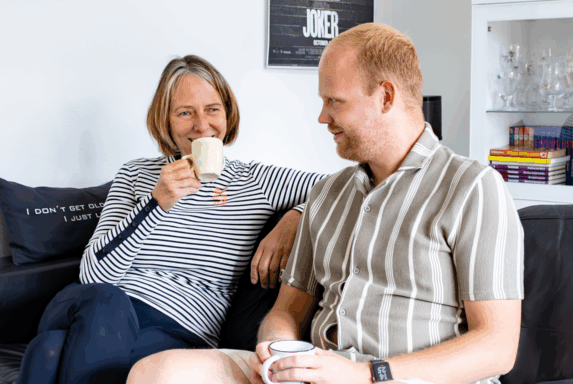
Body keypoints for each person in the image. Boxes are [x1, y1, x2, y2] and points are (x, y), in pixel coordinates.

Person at [127, 23, 524, 384]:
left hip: (401, 377)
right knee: (158, 372)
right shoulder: (327, 194)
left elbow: (497, 347)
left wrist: (367, 374)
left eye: (334, 101)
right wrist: (278, 349)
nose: (322, 117)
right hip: (316, 372)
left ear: (385, 96)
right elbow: (287, 311)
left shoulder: (473, 187)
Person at [15, 55, 326, 384]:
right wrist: (155, 203)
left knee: (48, 351)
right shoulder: (136, 174)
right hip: (92, 304)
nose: (202, 126)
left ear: (228, 114)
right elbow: (94, 275)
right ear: (165, 121)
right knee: (108, 300)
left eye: (212, 109)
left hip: (178, 329)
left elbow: (343, 185)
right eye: (185, 113)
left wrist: (295, 217)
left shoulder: (255, 182)